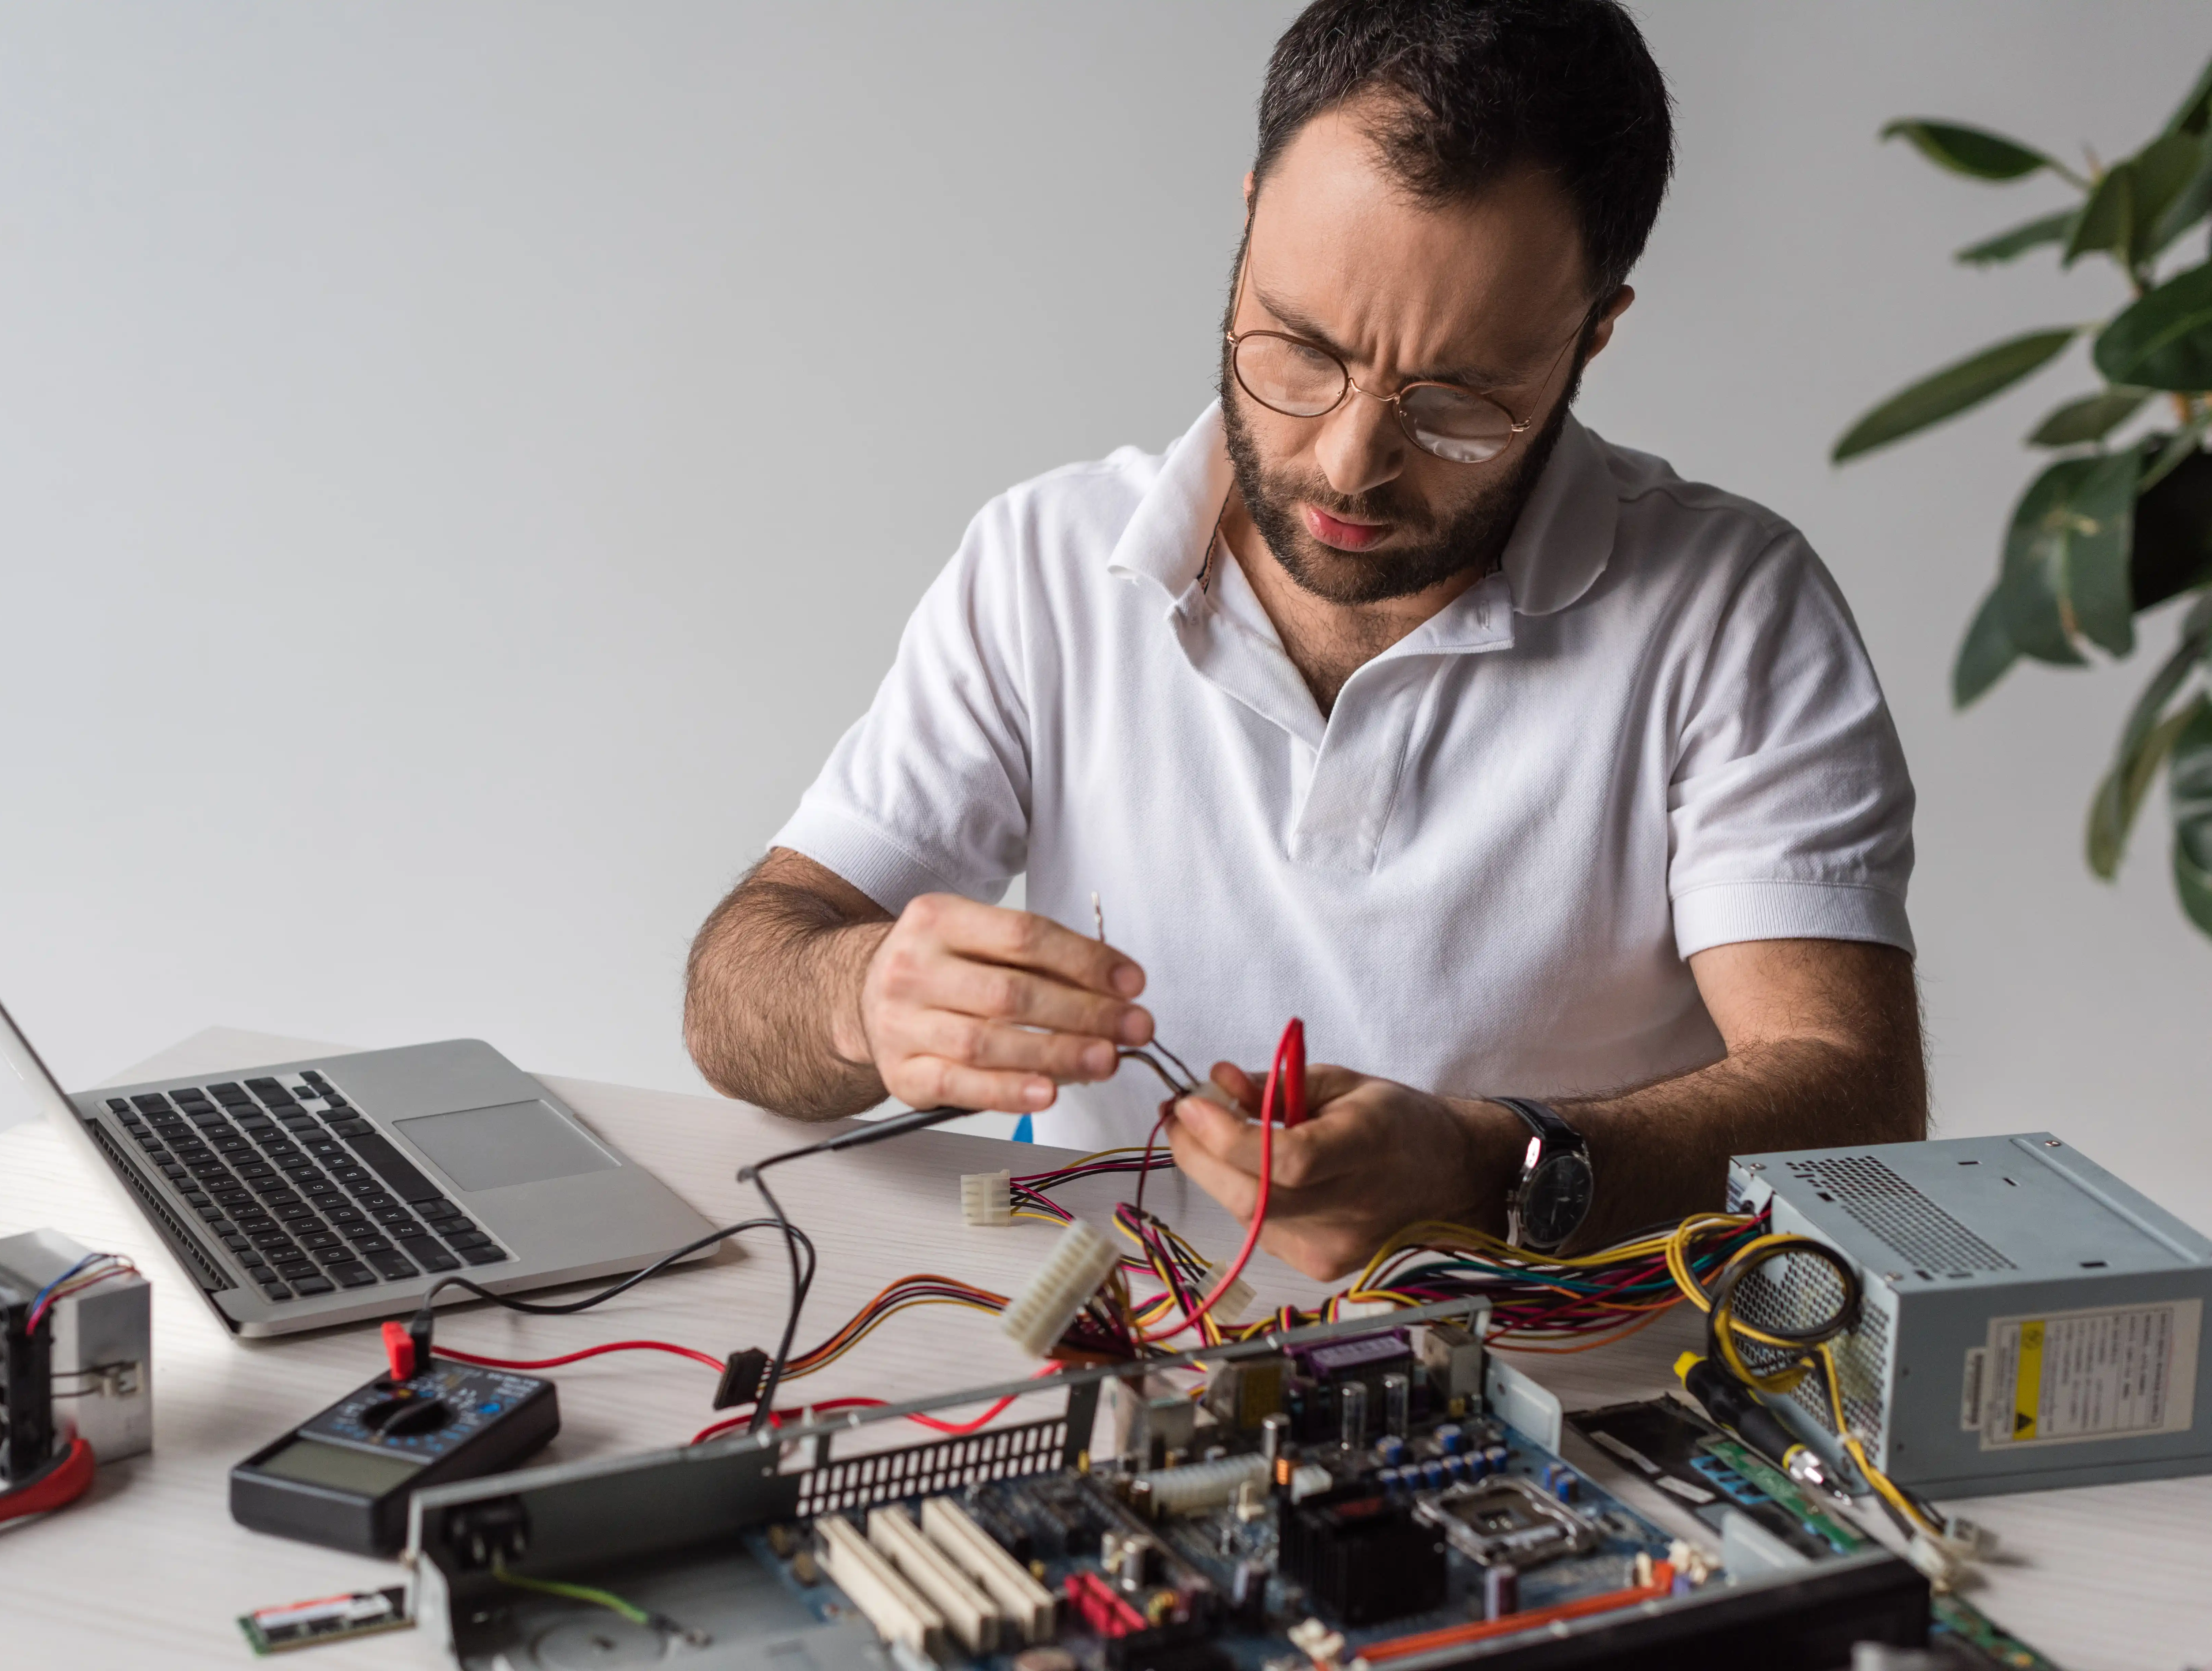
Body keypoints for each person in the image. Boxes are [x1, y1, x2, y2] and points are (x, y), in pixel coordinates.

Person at [683, 0, 1922, 1282]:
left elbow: (1858, 1108)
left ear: (1592, 335)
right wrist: (860, 995)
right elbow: (739, 989)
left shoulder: (1731, 611)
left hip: (1551, 1396)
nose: (1349, 460)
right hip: (1120, 1357)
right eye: (1300, 347)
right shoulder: (1045, 567)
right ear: (1248, 224)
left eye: (1458, 403)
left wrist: (1494, 1170)